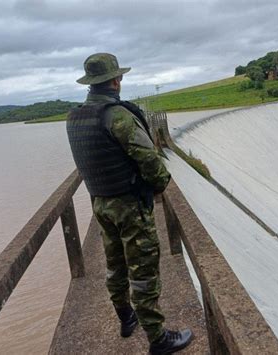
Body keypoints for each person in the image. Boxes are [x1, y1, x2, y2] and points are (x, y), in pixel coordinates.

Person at [66, 53, 193, 354]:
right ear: (115, 80)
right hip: (129, 204)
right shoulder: (117, 115)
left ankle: (126, 318)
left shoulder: (75, 117)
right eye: (118, 77)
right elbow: (148, 158)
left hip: (101, 202)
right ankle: (158, 339)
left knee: (115, 264)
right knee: (143, 270)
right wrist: (161, 184)